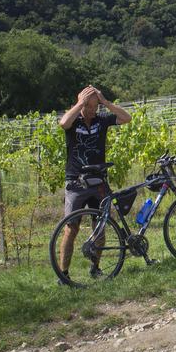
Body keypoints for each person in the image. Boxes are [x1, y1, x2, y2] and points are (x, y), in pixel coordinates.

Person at [57, 85, 131, 281]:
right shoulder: (74, 120)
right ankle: (63, 274)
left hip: (98, 181)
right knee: (71, 228)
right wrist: (80, 103)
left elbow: (126, 118)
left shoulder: (101, 120)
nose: (93, 110)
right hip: (76, 182)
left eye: (95, 106)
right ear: (81, 104)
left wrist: (106, 102)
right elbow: (63, 123)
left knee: (100, 225)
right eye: (89, 107)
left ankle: (95, 268)